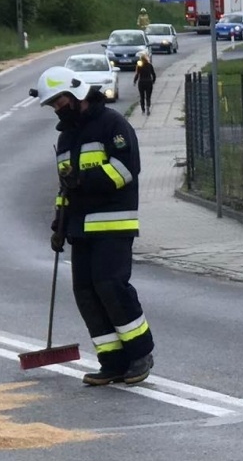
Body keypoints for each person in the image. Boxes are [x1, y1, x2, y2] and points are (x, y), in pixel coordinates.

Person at [31, 66, 154, 386]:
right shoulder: (66, 137)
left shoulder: (111, 124)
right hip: (79, 229)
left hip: (113, 224)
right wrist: (59, 222)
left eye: (59, 101)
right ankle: (112, 362)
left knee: (110, 286)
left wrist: (84, 180)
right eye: (53, 105)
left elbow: (126, 170)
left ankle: (140, 354)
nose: (58, 109)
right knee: (85, 292)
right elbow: (65, 188)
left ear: (77, 93)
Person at [133, 51, 156, 116]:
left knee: (142, 96)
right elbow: (153, 74)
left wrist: (134, 81)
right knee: (148, 96)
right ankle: (148, 107)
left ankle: (143, 109)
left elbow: (137, 74)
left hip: (141, 82)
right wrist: (153, 80)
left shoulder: (139, 66)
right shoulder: (150, 65)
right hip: (149, 82)